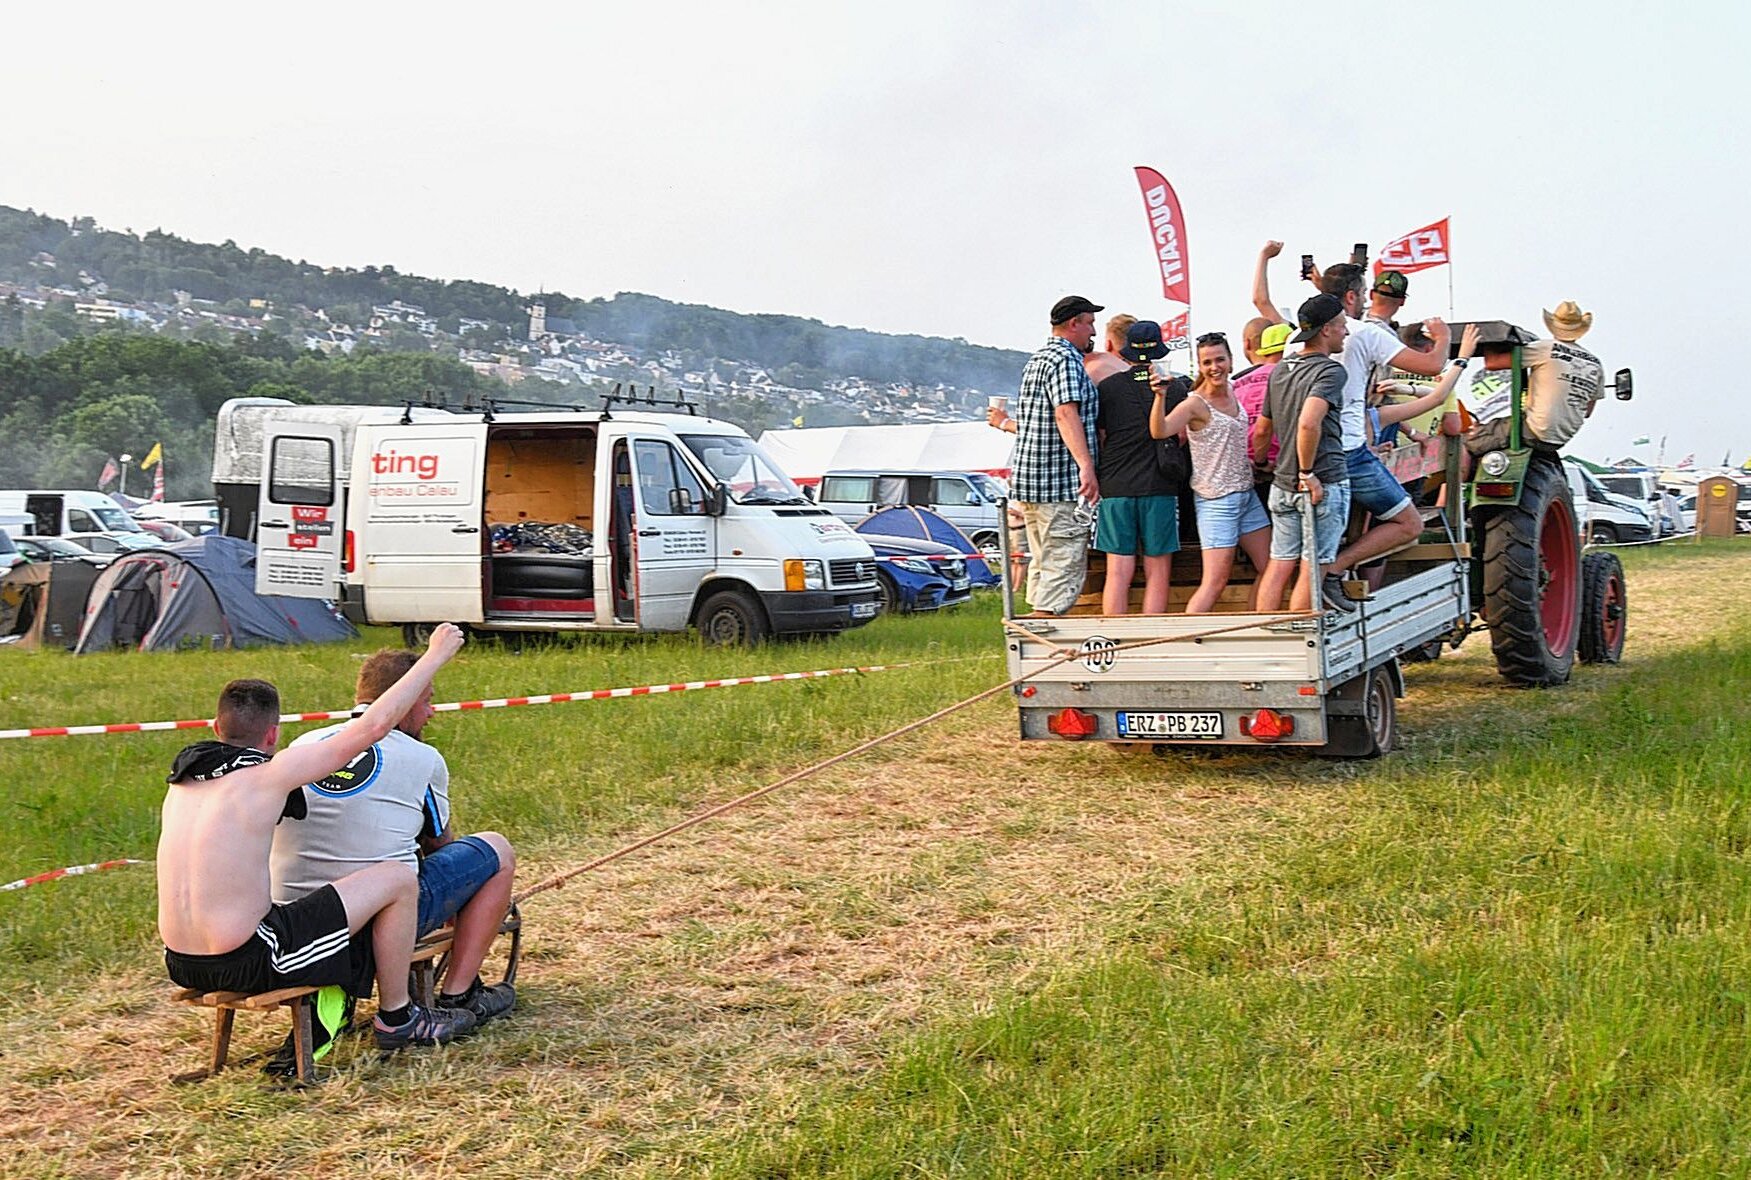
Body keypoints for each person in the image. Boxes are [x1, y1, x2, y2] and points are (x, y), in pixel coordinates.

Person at [158, 625, 477, 1052]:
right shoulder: (269, 777)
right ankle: (399, 1018)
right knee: (399, 879)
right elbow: (375, 726)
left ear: (216, 727)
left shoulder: (181, 784)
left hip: (179, 961)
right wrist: (435, 655)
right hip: (249, 958)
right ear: (273, 735)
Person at [272, 648, 518, 1027]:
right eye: (427, 700)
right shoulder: (423, 757)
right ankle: (460, 992)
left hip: (296, 919)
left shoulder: (304, 743)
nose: (431, 712)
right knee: (495, 851)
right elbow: (441, 846)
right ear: (403, 702)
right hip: (379, 917)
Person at [1317, 264, 1452, 581]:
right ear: (1352, 295)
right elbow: (1432, 365)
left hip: (1309, 450)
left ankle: (1323, 578)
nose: (1365, 301)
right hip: (1350, 448)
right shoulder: (1365, 333)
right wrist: (1444, 338)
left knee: (1314, 542)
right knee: (1408, 523)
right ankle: (1335, 571)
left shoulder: (1300, 338)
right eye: (1362, 293)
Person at [1150, 332, 1273, 613]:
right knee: (1215, 582)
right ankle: (1187, 646)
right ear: (1200, 366)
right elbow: (1160, 431)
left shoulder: (1234, 389)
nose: (1214, 367)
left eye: (1219, 359)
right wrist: (1160, 397)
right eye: (1207, 362)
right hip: (1216, 500)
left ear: (1231, 360)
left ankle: (1254, 632)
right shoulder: (1195, 403)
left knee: (1270, 567)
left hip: (1246, 494)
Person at [1250, 295, 1351, 613]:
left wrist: (1262, 462)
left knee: (1279, 565)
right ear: (1326, 330)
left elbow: (1262, 431)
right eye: (1342, 326)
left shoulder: (1280, 370)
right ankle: (1302, 646)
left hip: (1282, 485)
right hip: (1321, 482)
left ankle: (1269, 641)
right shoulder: (1330, 372)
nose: (1346, 333)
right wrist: (1308, 473)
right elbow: (1309, 423)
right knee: (1313, 567)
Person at [1011, 294, 1102, 616]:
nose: (1094, 331)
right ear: (1073, 323)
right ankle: (1043, 637)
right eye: (1090, 323)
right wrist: (1086, 466)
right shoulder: (1065, 360)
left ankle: (1030, 634)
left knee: (1043, 560)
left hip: (1030, 481)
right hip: (1058, 480)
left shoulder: (1038, 359)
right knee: (1063, 560)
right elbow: (1065, 413)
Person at [1093, 320, 1181, 614]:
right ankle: (1150, 643)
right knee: (1157, 571)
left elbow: (1102, 436)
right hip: (1158, 484)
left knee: (1117, 572)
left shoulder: (1108, 388)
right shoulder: (1176, 387)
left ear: (1125, 350)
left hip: (1116, 485)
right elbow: (1180, 436)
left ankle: (1113, 645)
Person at [1465, 300, 1604, 454]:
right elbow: (1588, 411)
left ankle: (1454, 475)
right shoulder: (1595, 363)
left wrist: (1488, 339)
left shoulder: (1545, 348)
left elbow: (1493, 363)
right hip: (1561, 437)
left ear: (1553, 324)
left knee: (1468, 442)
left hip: (1536, 429)